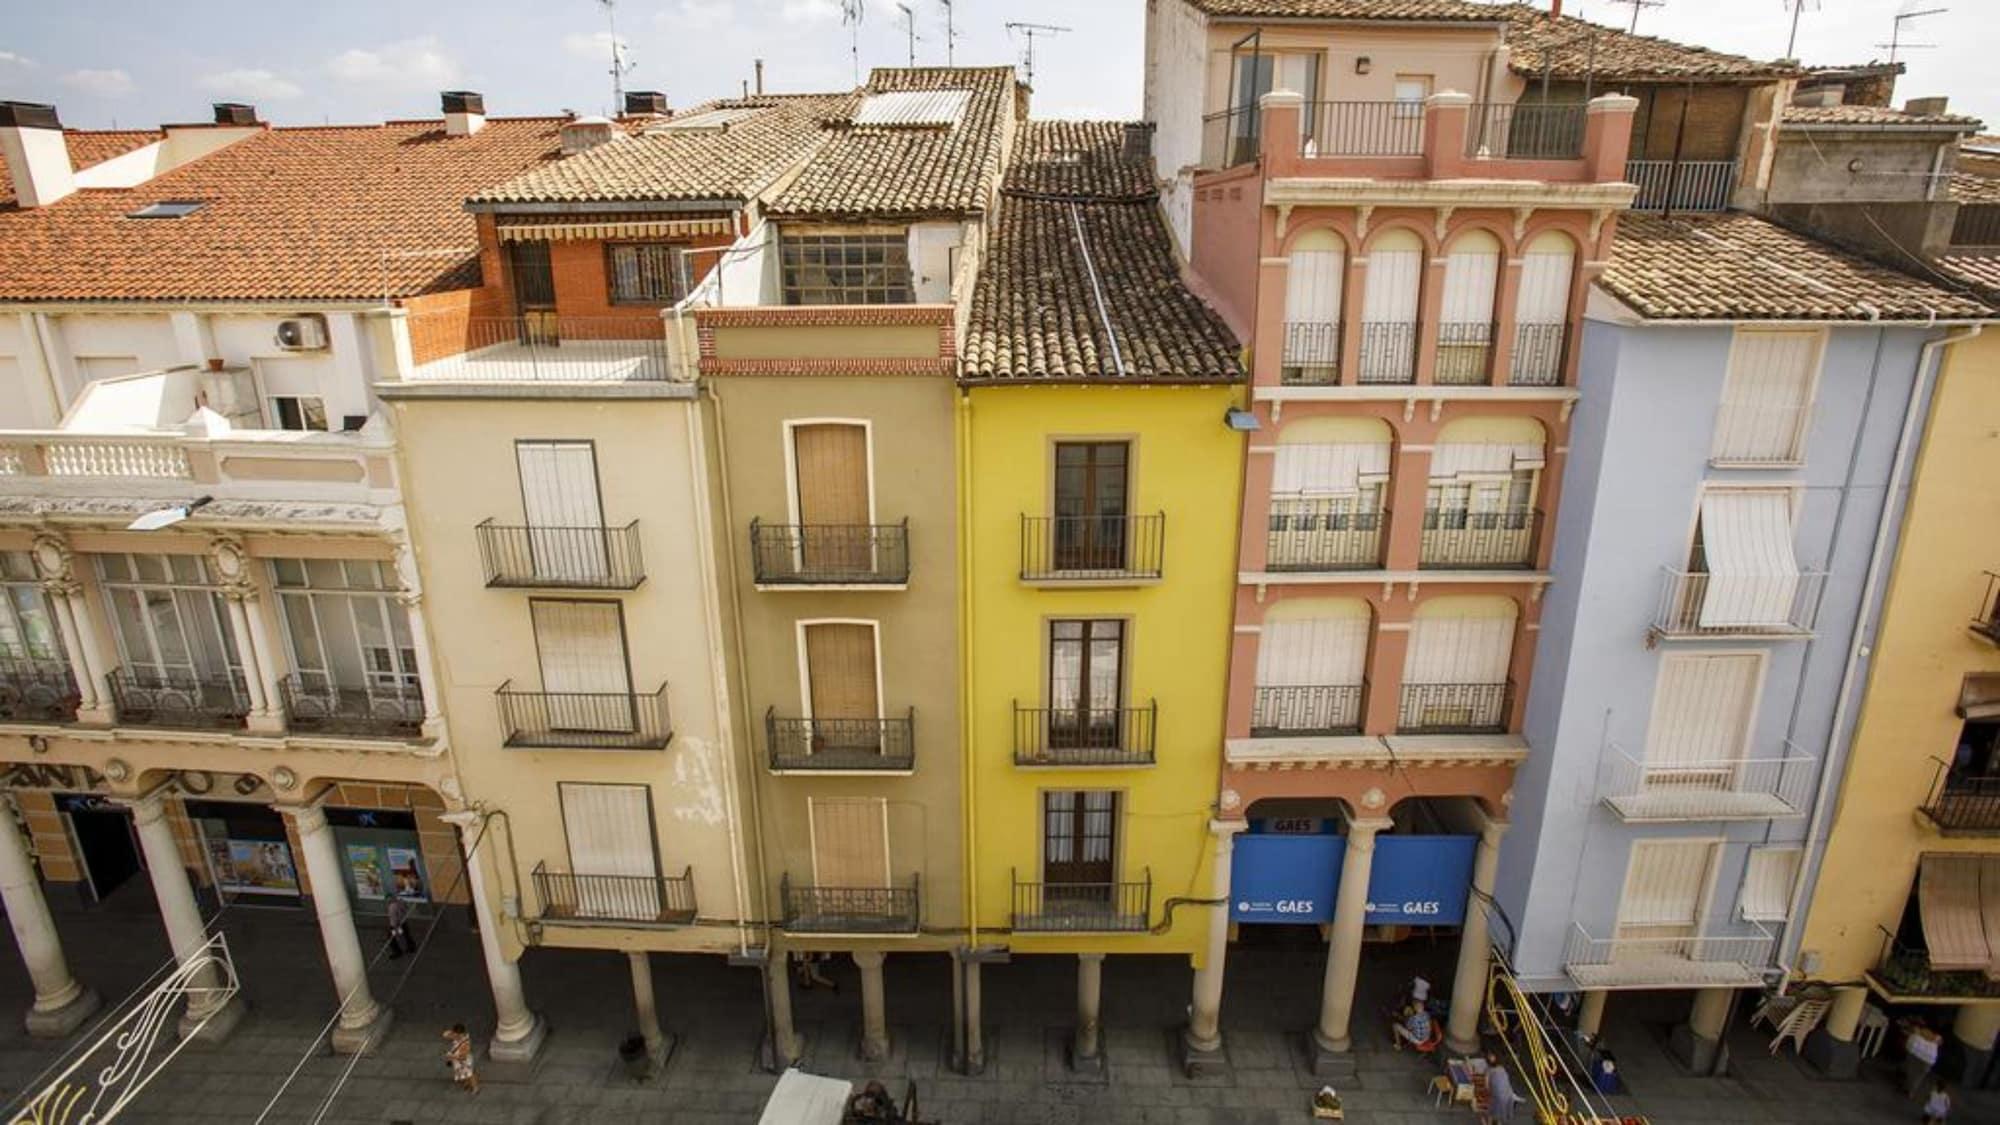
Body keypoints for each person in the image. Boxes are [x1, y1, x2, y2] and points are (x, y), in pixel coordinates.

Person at [1906, 1022, 1942, 1099]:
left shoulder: (1919, 1031)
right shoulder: (1937, 1037)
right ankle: (1911, 1091)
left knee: (1912, 1071)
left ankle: (1909, 1088)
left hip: (1916, 1053)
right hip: (1928, 1059)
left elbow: (1911, 1031)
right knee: (1919, 1076)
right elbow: (1939, 1043)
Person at [1482, 1052, 1521, 1123]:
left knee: (1492, 1112)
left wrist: (1487, 1092)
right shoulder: (1500, 1068)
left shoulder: (1490, 1070)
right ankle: (1496, 1120)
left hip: (1501, 1094)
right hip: (1506, 1094)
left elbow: (1486, 1085)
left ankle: (1491, 1121)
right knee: (1498, 1112)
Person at [442, 1023, 478, 1095]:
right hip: (458, 1061)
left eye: (459, 1035)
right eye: (456, 1034)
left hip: (464, 1062)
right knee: (463, 1073)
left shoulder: (465, 1043)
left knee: (469, 1074)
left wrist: (451, 1057)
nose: (457, 1036)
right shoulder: (457, 1036)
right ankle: (467, 1083)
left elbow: (463, 1057)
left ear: (462, 1033)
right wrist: (451, 1033)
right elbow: (444, 1034)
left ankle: (475, 1087)